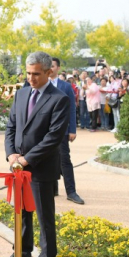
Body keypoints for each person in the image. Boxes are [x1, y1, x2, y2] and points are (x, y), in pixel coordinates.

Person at [0, 51, 70, 257]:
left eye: (36, 74)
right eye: (28, 73)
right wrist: (11, 155)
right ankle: (22, 254)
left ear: (49, 72)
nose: (31, 78)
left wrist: (25, 159)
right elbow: (11, 128)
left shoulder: (59, 99)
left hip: (41, 168)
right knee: (21, 213)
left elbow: (53, 138)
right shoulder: (21, 94)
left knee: (44, 216)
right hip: (18, 167)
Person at [49, 58, 84, 205]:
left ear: (58, 68)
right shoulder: (41, 85)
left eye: (52, 66)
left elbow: (71, 109)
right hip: (44, 131)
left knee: (65, 160)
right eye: (48, 66)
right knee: (47, 160)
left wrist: (72, 129)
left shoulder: (66, 86)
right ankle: (52, 189)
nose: (49, 69)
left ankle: (71, 191)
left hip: (61, 130)